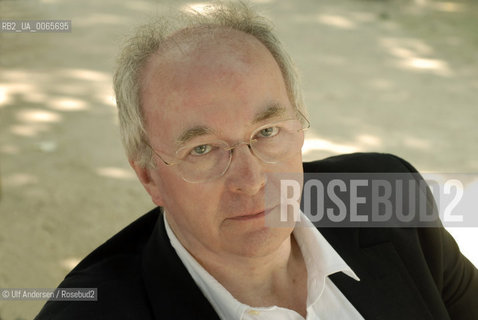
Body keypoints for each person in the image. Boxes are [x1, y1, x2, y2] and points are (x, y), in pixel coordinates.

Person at [36, 2, 478, 319]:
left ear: (300, 131)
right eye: (203, 149)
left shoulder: (385, 196)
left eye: (266, 133)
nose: (251, 180)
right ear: (149, 175)